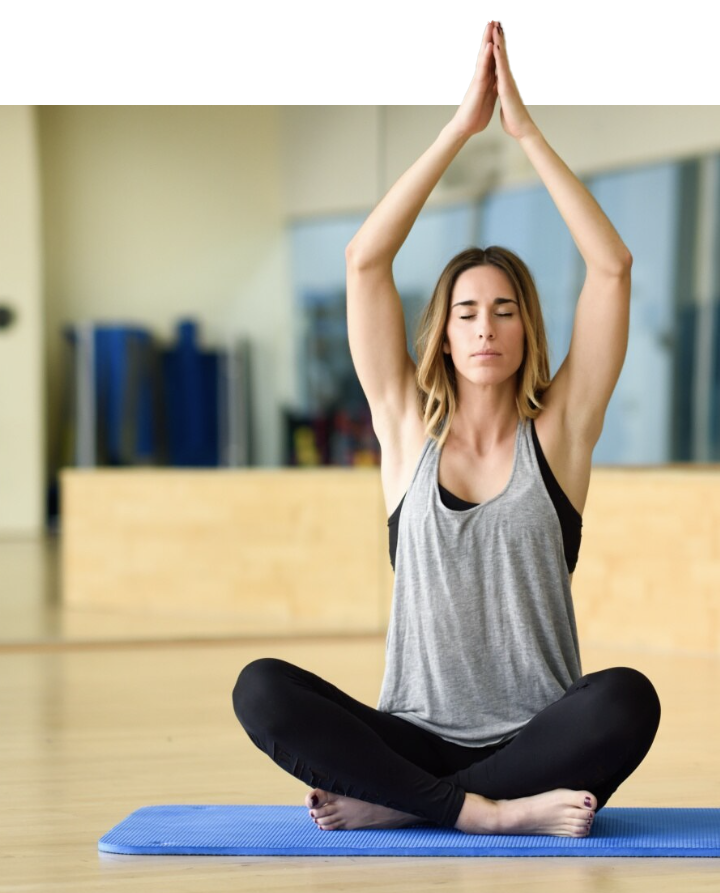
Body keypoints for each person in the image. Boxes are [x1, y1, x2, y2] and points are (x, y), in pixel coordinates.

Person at [232, 21, 658, 836]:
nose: (485, 326)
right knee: (261, 687)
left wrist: (524, 133)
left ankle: (408, 805)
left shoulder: (561, 433)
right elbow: (365, 260)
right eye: (466, 311)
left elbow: (612, 268)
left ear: (527, 329)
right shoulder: (404, 430)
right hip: (413, 734)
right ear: (445, 334)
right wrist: (459, 129)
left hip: (538, 737)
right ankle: (485, 812)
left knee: (627, 698)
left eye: (504, 309)